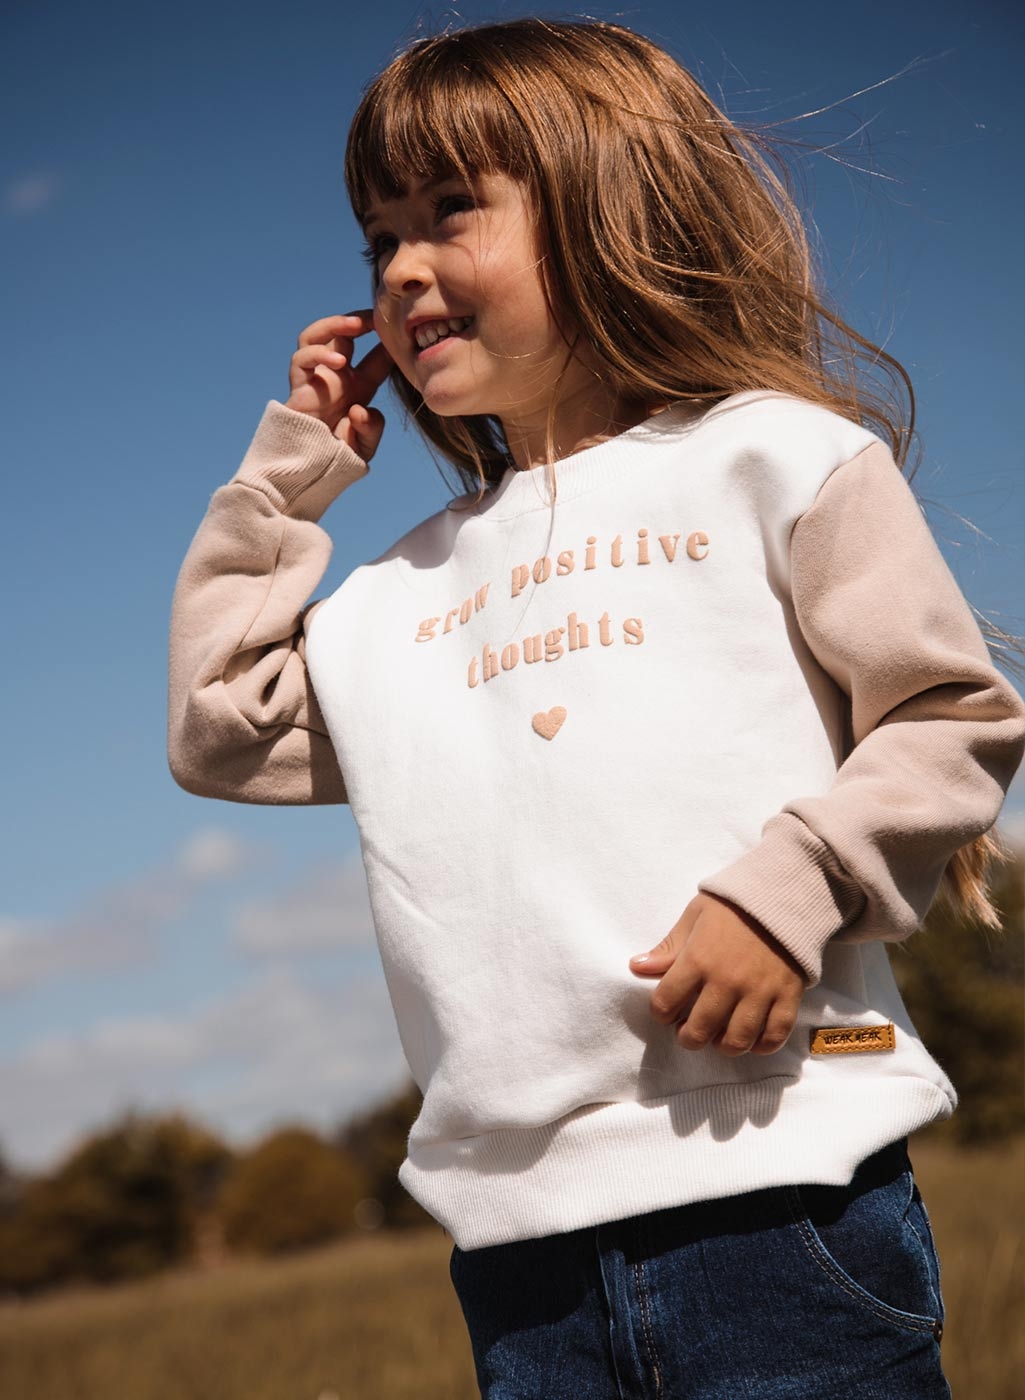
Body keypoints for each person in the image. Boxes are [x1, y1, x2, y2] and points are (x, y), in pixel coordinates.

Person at [168, 18, 1024, 1398]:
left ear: (608, 211)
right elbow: (219, 725)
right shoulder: (395, 596)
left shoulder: (775, 461)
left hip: (785, 1190)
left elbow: (949, 714)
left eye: (450, 210)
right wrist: (288, 480)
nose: (401, 268)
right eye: (379, 236)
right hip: (522, 1261)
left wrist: (790, 888)